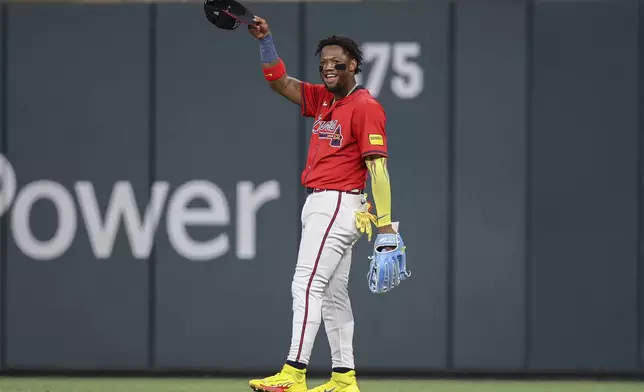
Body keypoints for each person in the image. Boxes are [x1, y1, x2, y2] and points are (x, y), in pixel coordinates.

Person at [247, 15, 397, 392]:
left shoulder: (363, 106)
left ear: (355, 66)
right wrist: (266, 41)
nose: (330, 67)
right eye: (324, 63)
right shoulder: (324, 99)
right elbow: (279, 82)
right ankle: (344, 378)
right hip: (325, 204)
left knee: (306, 285)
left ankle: (294, 373)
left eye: (338, 62)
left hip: (337, 204)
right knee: (331, 293)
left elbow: (378, 169)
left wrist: (386, 227)